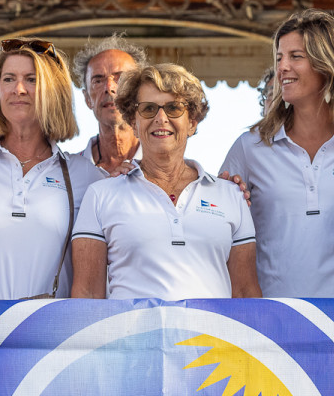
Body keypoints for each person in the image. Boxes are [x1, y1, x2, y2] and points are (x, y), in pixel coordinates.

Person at [220, 10, 334, 299]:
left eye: (296, 56)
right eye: (279, 57)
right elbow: (221, 232)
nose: (282, 67)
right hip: (277, 316)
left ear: (328, 65)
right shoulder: (250, 146)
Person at [71, 63, 259, 299]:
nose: (161, 118)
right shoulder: (100, 195)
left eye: (173, 108)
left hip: (210, 327)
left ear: (192, 122)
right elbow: (87, 295)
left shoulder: (231, 195)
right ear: (134, 123)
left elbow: (245, 293)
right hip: (130, 326)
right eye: (148, 109)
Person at [0, 38, 102, 300]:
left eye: (31, 79)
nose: (18, 89)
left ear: (54, 91)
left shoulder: (85, 175)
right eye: (8, 79)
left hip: (47, 324)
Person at [72, 33, 147, 175]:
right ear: (87, 99)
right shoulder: (68, 172)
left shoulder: (166, 170)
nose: (109, 87)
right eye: (98, 81)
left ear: (140, 93)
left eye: (121, 78)